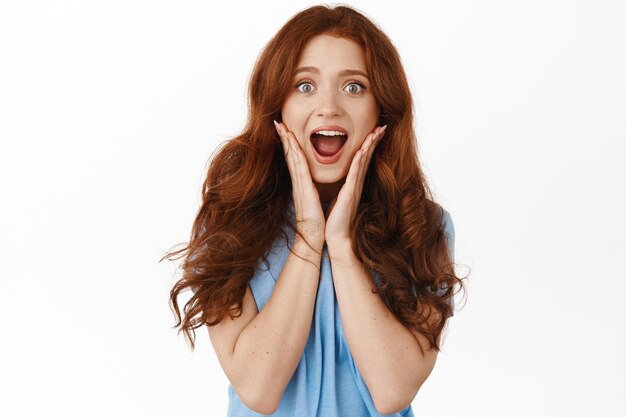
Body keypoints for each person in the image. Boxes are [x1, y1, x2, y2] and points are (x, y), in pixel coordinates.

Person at [163, 4, 465, 416]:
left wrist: (339, 243)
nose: (329, 107)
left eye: (354, 87)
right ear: (278, 106)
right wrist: (308, 233)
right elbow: (258, 389)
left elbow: (393, 390)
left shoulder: (423, 226)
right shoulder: (229, 222)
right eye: (305, 86)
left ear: (383, 109)